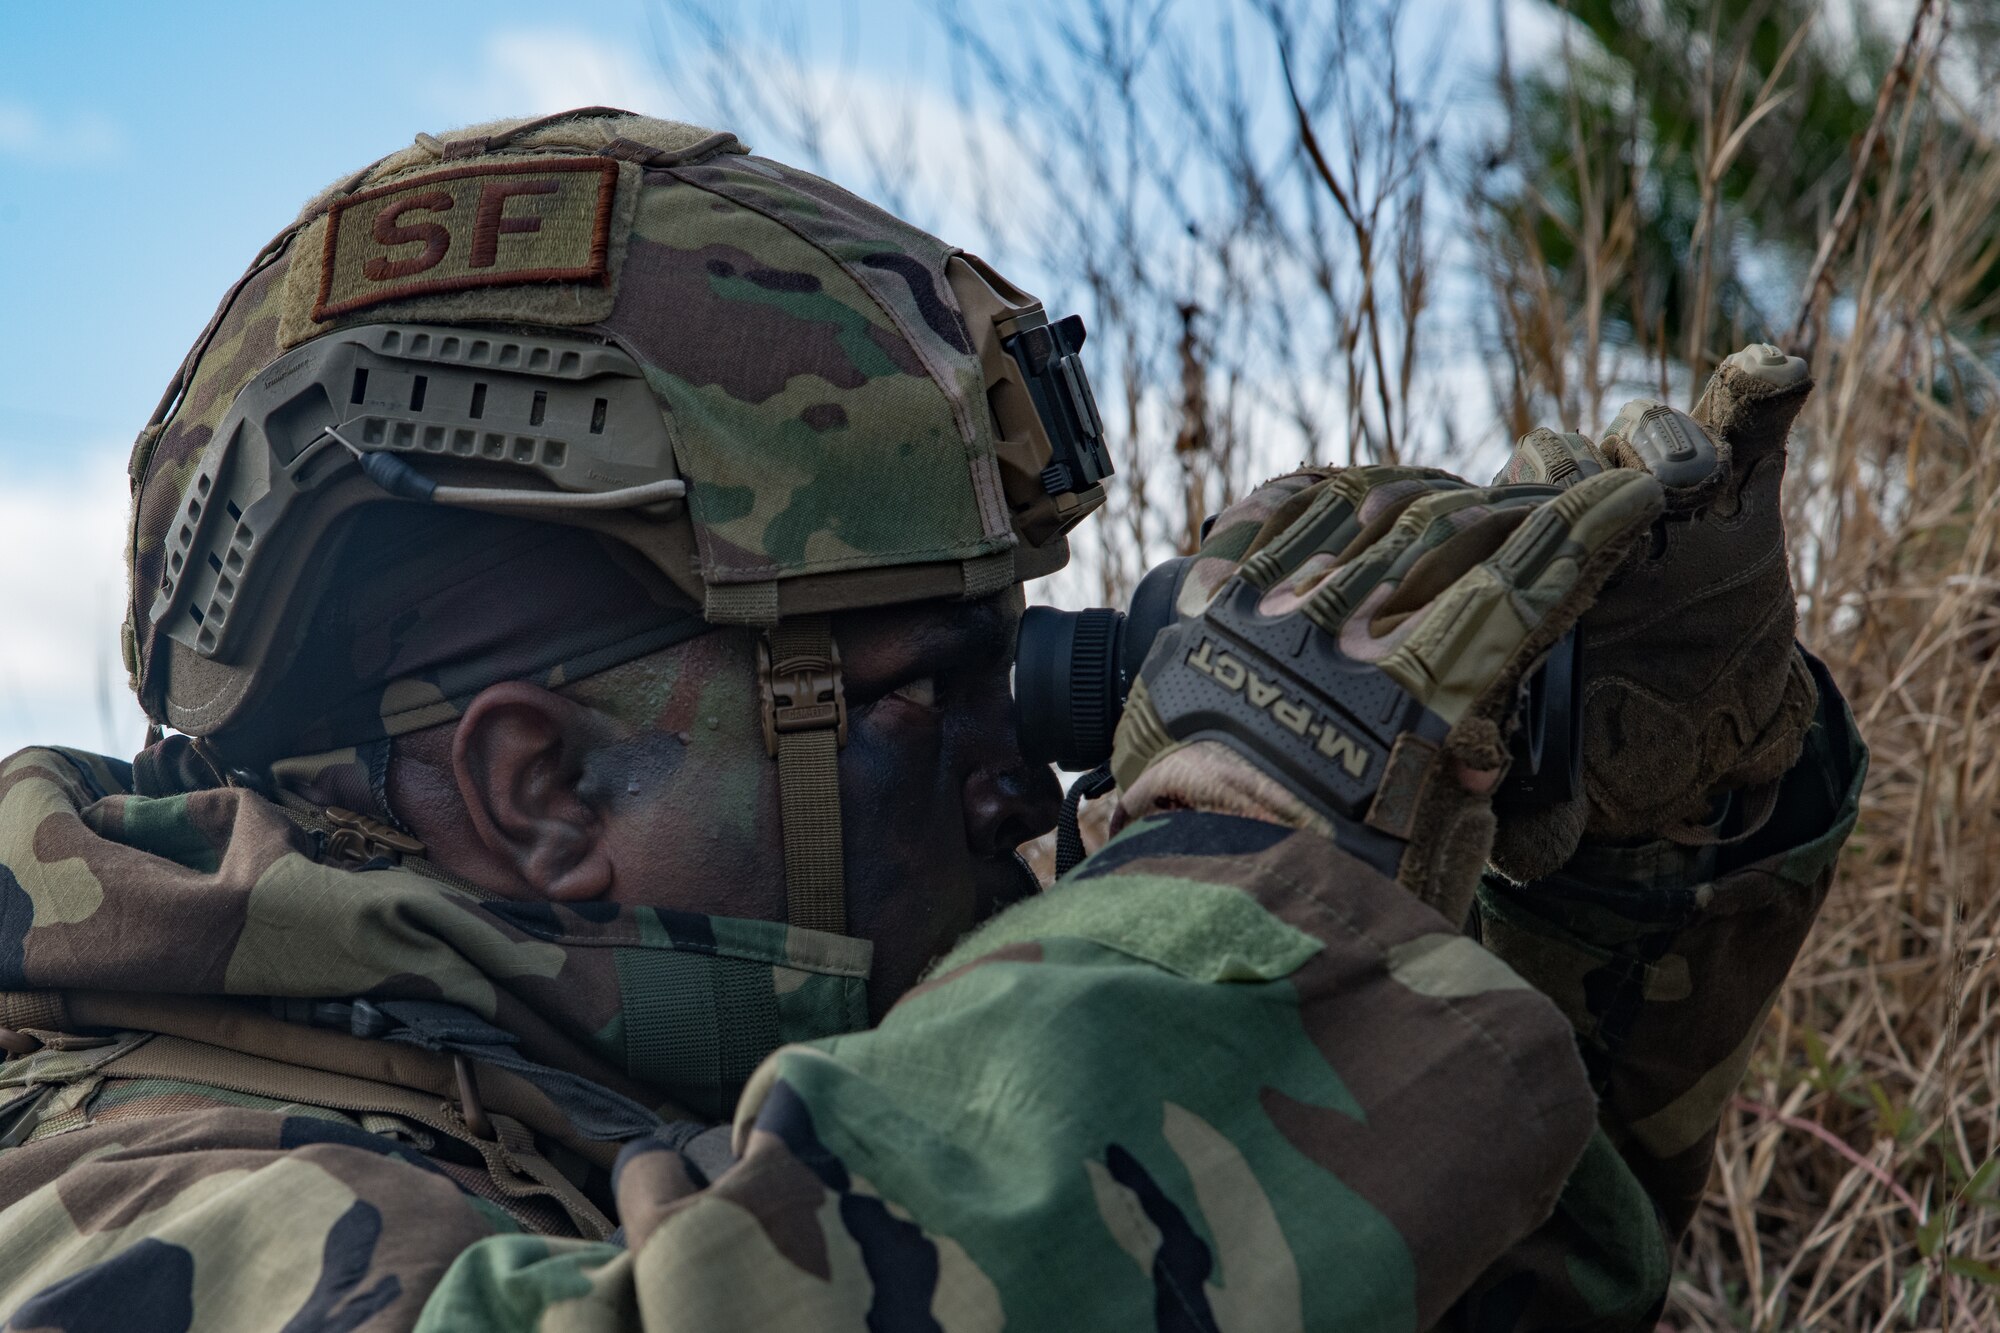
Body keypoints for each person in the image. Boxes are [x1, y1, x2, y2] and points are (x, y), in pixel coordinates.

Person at [0, 109, 1862, 1331]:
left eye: (1023, 665)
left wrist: (1630, 827)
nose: (1019, 776)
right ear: (541, 787)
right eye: (916, 701)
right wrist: (1219, 891)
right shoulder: (93, 1193)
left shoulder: (643, 1058)